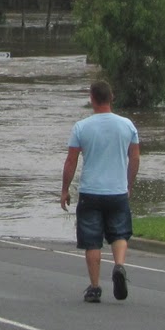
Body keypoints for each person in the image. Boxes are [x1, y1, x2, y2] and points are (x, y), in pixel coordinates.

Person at [60, 81, 140, 303]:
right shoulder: (127, 126)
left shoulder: (81, 127)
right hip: (117, 191)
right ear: (112, 97)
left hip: (91, 191)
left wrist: (65, 189)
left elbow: (71, 161)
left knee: (92, 240)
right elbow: (135, 158)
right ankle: (119, 266)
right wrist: (128, 185)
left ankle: (95, 287)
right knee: (120, 233)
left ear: (92, 99)